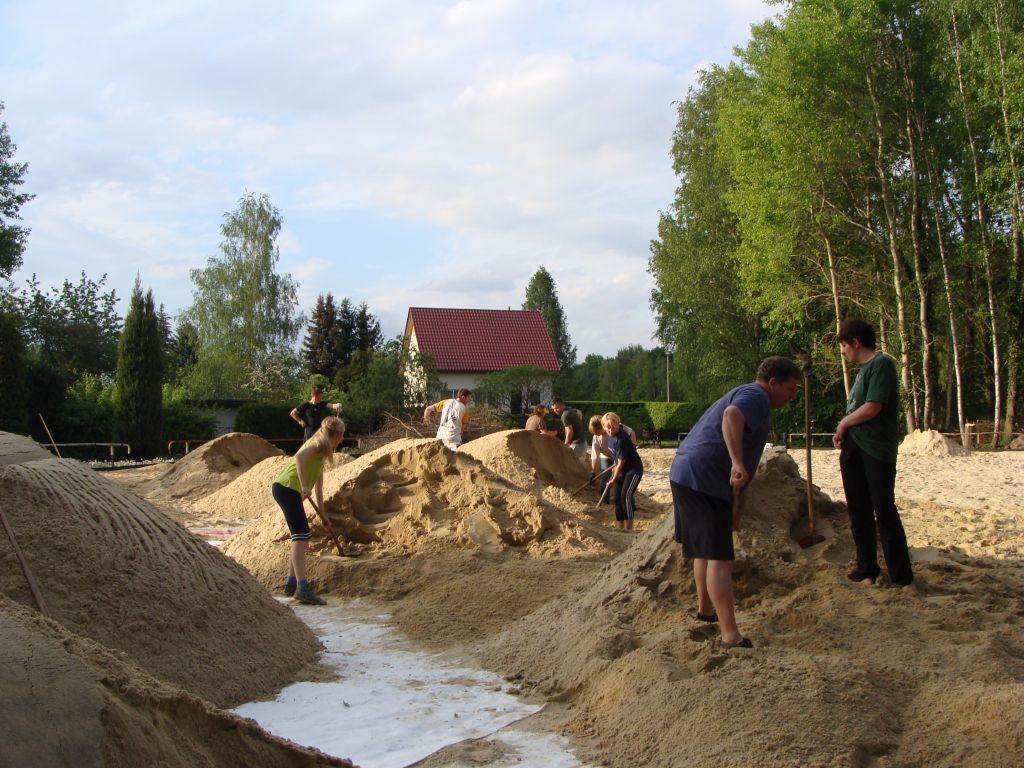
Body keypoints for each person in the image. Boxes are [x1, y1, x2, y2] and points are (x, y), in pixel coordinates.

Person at [669, 356, 801, 649]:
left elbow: (745, 469)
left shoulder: (750, 394)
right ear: (773, 383)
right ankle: (730, 635)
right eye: (790, 389)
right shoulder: (757, 396)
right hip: (703, 477)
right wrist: (737, 463)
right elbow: (731, 416)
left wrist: (736, 510)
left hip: (686, 473)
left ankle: (706, 611)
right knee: (720, 558)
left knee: (705, 550)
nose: (792, 396)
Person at [833, 319, 915, 591]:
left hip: (876, 449)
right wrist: (845, 429)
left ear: (856, 342)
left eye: (845, 346)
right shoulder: (862, 372)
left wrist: (844, 423)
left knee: (883, 509)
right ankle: (866, 569)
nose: (843, 352)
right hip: (855, 447)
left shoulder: (882, 365)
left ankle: (902, 577)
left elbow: (872, 407)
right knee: (859, 510)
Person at [271, 416, 346, 605]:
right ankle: (302, 588)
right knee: (301, 536)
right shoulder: (317, 443)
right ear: (337, 434)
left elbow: (319, 490)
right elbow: (298, 457)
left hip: (288, 489)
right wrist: (304, 486)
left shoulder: (322, 454)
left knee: (300, 535)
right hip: (286, 487)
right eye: (342, 436)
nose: (342, 440)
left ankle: (292, 583)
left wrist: (323, 517)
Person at [602, 412, 644, 531]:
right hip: (621, 469)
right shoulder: (610, 436)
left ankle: (629, 529)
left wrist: (613, 479)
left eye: (613, 428)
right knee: (617, 499)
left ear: (617, 426)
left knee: (625, 496)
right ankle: (620, 528)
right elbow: (617, 460)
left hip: (633, 469)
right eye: (608, 428)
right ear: (604, 426)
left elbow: (621, 462)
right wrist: (615, 471)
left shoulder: (621, 439)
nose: (611, 430)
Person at [589, 415, 636, 503]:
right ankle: (604, 501)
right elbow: (595, 456)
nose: (595, 434)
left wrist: (633, 446)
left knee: (621, 478)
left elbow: (631, 432)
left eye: (596, 432)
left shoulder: (612, 427)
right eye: (593, 432)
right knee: (605, 478)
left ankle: (628, 500)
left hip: (619, 456)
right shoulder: (596, 437)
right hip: (605, 456)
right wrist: (593, 472)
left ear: (602, 427)